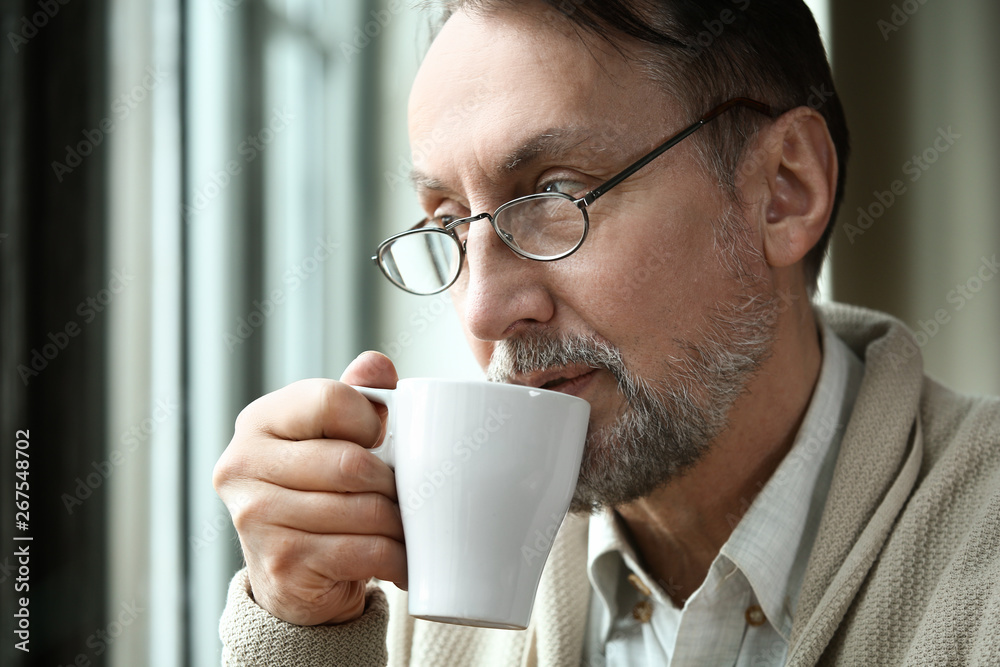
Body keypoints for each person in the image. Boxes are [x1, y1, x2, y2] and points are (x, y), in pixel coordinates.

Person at [213, 1, 1000, 664]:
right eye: (448, 223)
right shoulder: (423, 598)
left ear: (783, 190)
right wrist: (298, 631)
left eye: (555, 194)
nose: (484, 311)